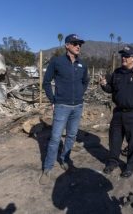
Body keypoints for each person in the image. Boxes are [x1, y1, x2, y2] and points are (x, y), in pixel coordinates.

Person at [39, 34, 89, 185]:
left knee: (71, 135)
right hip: (61, 106)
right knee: (55, 138)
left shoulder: (83, 64)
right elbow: (46, 82)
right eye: (75, 43)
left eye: (80, 44)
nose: (78, 46)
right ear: (67, 45)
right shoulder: (57, 62)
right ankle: (47, 168)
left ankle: (64, 159)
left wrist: (80, 94)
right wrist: (53, 100)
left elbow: (85, 82)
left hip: (78, 107)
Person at [100, 45, 133, 178]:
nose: (123, 58)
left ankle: (130, 166)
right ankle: (112, 162)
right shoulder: (117, 73)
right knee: (115, 140)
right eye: (122, 55)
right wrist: (103, 85)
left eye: (126, 56)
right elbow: (110, 89)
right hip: (118, 113)